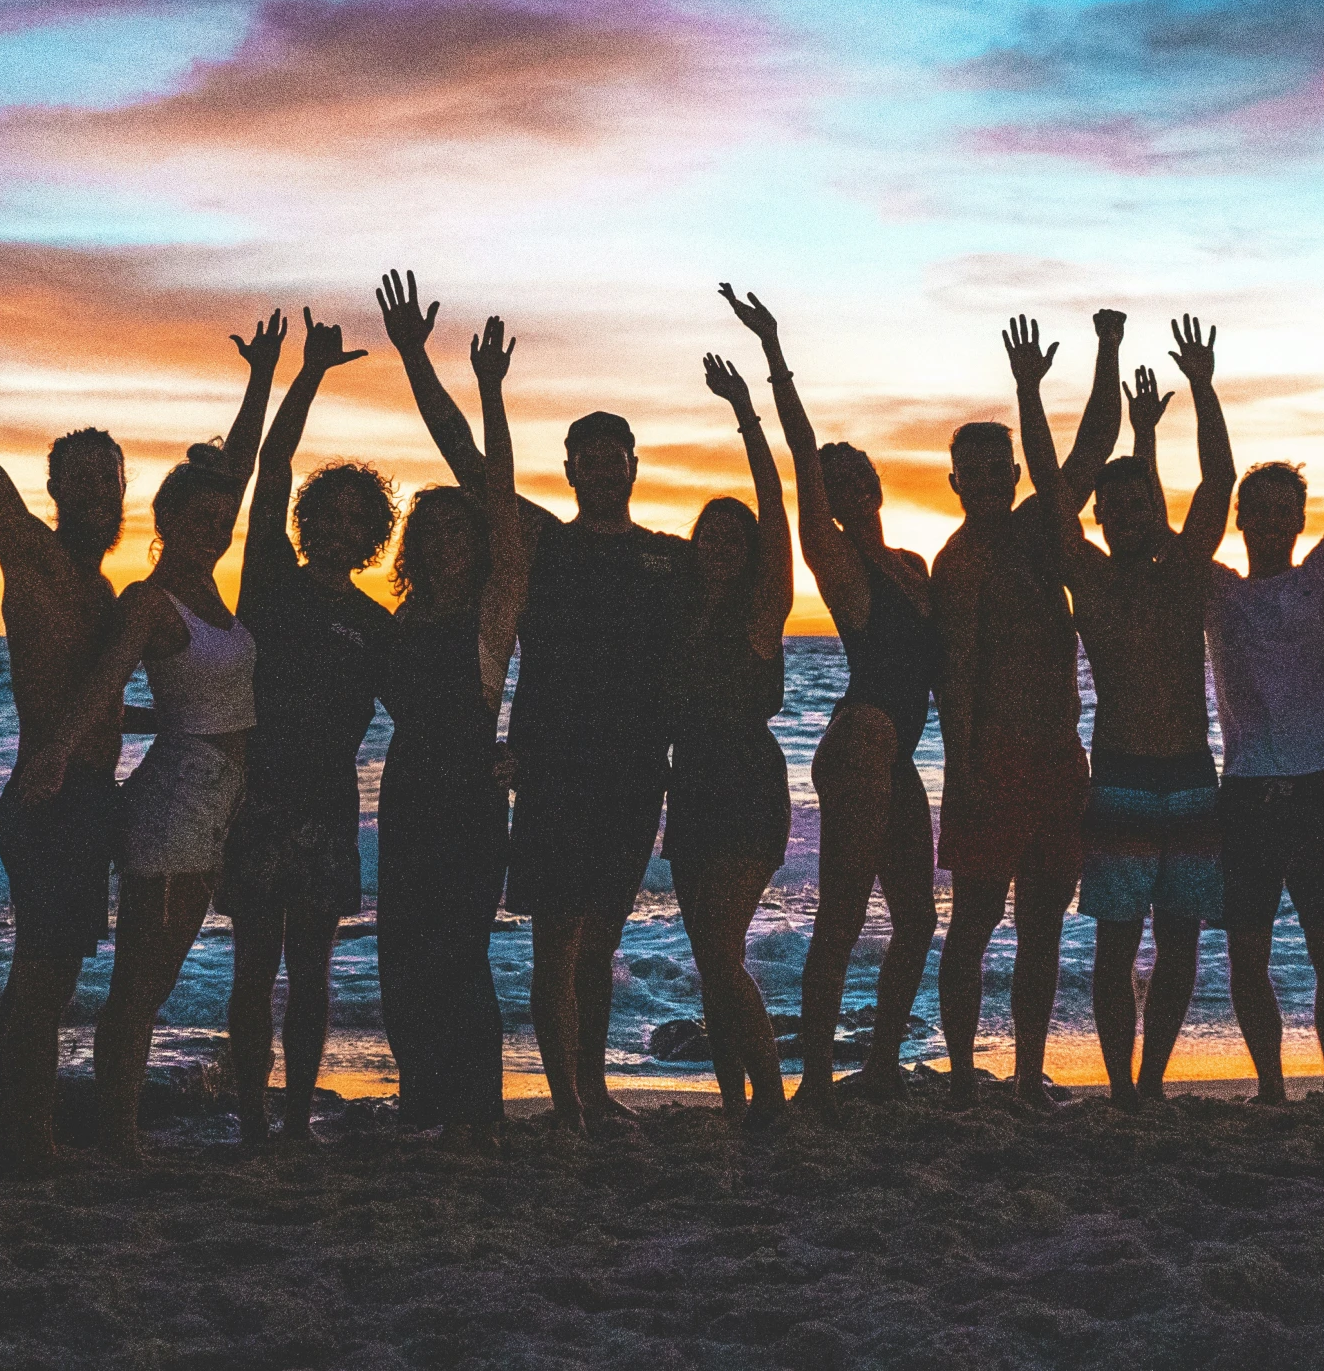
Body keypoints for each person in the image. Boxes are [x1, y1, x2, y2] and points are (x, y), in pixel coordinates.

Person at [380, 270, 689, 1134]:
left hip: (636, 774)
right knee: (557, 941)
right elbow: (469, 463)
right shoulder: (544, 547)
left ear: (633, 462)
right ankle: (567, 1103)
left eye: (611, 453)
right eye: (584, 456)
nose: (598, 466)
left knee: (602, 942)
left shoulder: (666, 559)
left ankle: (592, 1089)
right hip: (554, 770)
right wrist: (431, 365)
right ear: (570, 467)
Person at [13, 311, 283, 1161]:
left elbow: (233, 472)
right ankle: (119, 1140)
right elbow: (100, 686)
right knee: (139, 987)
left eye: (220, 516)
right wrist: (53, 754)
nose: (214, 524)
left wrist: (263, 379)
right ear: (164, 520)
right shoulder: (151, 601)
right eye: (196, 516)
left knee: (149, 984)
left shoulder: (213, 593)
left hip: (213, 805)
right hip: (170, 804)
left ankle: (112, 1133)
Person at [721, 285, 941, 1120]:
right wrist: (773, 360)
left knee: (917, 919)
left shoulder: (915, 568)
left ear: (878, 486)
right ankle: (816, 1077)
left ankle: (880, 1064)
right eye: (832, 482)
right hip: (859, 744)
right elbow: (801, 446)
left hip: (901, 756)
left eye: (858, 478)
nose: (845, 489)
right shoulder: (838, 565)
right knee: (844, 917)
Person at [1017, 316, 1235, 1110]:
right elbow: (1049, 486)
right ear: (1102, 517)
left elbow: (1218, 482)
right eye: (1115, 507)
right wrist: (1029, 392)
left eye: (1140, 503)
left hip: (1187, 775)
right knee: (1114, 943)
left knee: (1178, 941)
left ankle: (1150, 1081)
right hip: (1118, 778)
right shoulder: (1090, 576)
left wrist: (1205, 388)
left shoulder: (1184, 572)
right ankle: (1119, 1085)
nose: (1127, 515)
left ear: (1154, 508)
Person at [0, 256, 130, 1173]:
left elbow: (97, 706)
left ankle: (35, 1130)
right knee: (40, 976)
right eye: (85, 479)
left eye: (113, 480)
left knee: (58, 978)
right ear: (56, 488)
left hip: (91, 799)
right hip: (49, 801)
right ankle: (22, 1136)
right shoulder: (36, 561)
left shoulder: (106, 596)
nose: (101, 493)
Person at [1204, 304, 1324, 1106]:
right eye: (1262, 507)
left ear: (1299, 518)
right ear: (1243, 517)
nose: (1274, 517)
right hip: (1247, 792)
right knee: (1246, 954)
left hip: (1322, 785)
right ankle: (1271, 1087)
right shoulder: (1215, 588)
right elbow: (1203, 492)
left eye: (1287, 506)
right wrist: (1202, 394)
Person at [932, 309, 1124, 1109]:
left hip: (1057, 758)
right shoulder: (961, 562)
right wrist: (967, 767)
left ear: (1012, 476)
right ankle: (966, 1076)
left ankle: (1025, 1073)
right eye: (967, 473)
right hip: (993, 757)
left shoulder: (1040, 529)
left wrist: (1107, 349)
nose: (981, 483)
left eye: (994, 471)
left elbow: (1093, 446)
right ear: (953, 482)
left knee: (1043, 925)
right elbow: (955, 676)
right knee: (975, 922)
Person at [218, 310, 397, 1147]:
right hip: (257, 799)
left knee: (314, 971)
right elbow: (275, 463)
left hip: (328, 807)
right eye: (326, 513)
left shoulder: (375, 622)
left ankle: (295, 1118)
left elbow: (424, 714)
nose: (335, 526)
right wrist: (309, 373)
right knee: (253, 964)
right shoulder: (270, 582)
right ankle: (252, 1114)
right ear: (307, 521)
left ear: (371, 536)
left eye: (355, 518)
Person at [373, 316, 522, 1148]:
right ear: (414, 548)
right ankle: (422, 1099)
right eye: (431, 533)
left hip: (469, 796)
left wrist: (487, 390)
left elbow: (499, 497)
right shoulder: (401, 620)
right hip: (407, 793)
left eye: (458, 530)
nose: (446, 543)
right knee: (403, 952)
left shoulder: (490, 617)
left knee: (460, 953)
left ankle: (475, 1108)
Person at [661, 352, 794, 1127]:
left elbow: (773, 512)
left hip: (747, 783)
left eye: (732, 539)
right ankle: (735, 1100)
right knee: (710, 959)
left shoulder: (760, 616)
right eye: (708, 536)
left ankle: (772, 1100)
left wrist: (746, 412)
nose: (720, 547)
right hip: (692, 787)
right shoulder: (678, 618)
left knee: (718, 946)